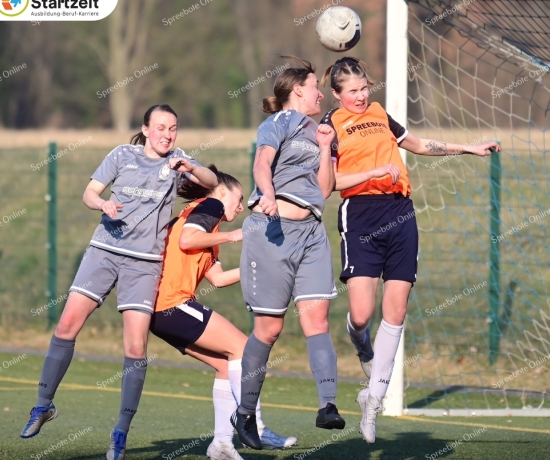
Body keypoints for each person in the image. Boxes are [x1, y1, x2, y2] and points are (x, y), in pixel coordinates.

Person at [20, 104, 218, 460]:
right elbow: (89, 193)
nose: (166, 134)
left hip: (143, 265)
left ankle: (120, 433)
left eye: (172, 128)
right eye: (159, 127)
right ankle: (42, 406)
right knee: (66, 325)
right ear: (145, 129)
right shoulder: (122, 155)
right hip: (104, 252)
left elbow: (212, 182)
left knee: (136, 347)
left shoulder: (178, 161)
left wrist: (189, 167)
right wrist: (102, 205)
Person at [319, 56, 500, 444]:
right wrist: (370, 173)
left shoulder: (381, 113)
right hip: (361, 215)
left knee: (396, 309)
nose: (361, 95)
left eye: (365, 87)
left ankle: (374, 399)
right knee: (362, 314)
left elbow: (417, 144)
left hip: (400, 212)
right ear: (336, 95)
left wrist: (467, 148)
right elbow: (328, 183)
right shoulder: (328, 126)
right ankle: (359, 342)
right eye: (352, 91)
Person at [148, 165, 297, 459]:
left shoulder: (204, 226)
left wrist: (259, 266)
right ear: (222, 191)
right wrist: (233, 236)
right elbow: (186, 240)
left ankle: (222, 445)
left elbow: (217, 279)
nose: (241, 207)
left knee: (226, 364)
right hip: (172, 305)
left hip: (162, 312)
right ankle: (257, 426)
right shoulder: (211, 205)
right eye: (239, 199)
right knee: (244, 348)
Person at [232, 56, 341, 451]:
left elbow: (326, 188)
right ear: (298, 90)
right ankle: (244, 413)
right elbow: (261, 165)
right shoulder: (278, 124)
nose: (319, 92)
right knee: (270, 329)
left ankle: (327, 405)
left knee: (318, 317)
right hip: (272, 231)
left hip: (312, 231)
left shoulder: (322, 131)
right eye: (314, 85)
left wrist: (327, 147)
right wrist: (271, 195)